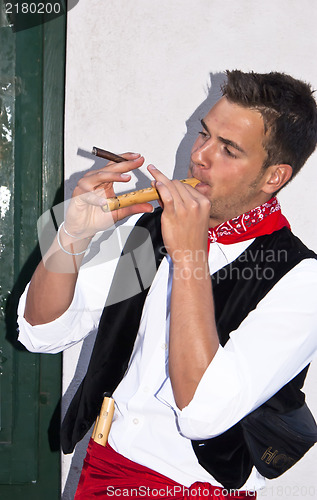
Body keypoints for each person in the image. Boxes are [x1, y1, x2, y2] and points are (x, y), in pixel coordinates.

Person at [17, 70, 317, 499]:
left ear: (274, 176)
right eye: (204, 135)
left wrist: (190, 255)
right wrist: (72, 236)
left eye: (228, 149)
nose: (201, 156)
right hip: (103, 469)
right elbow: (41, 332)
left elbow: (203, 413)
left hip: (198, 489)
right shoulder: (148, 232)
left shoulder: (302, 279)